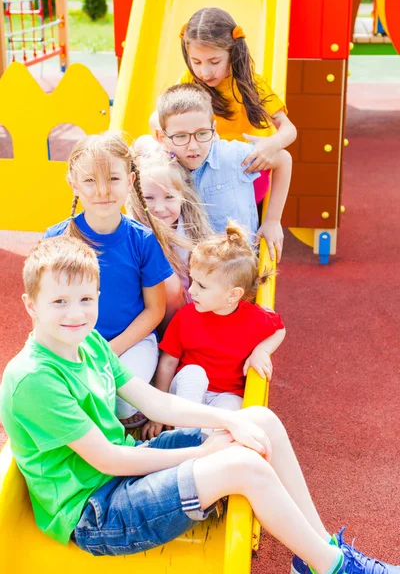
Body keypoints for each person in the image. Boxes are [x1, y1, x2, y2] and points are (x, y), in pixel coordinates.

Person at [0, 235, 398, 574]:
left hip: (121, 475)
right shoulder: (36, 379)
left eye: (86, 298)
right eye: (59, 302)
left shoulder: (88, 344)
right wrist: (201, 452)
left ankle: (319, 554)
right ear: (31, 304)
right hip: (95, 513)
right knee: (243, 465)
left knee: (260, 420)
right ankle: (336, 569)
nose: (76, 313)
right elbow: (108, 461)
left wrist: (229, 420)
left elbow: (156, 402)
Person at [43, 131, 184, 427]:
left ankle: (142, 402)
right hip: (73, 341)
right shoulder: (56, 238)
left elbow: (154, 310)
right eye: (90, 180)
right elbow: (46, 306)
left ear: (130, 181)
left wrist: (107, 351)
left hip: (131, 342)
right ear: (73, 183)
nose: (103, 190)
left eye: (114, 179)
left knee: (118, 401)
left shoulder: (142, 240)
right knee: (57, 395)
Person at [142, 221, 285, 441]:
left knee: (234, 408)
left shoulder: (253, 318)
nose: (192, 290)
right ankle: (182, 436)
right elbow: (168, 362)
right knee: (194, 373)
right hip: (187, 392)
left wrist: (262, 351)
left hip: (226, 395)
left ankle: (203, 443)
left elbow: (279, 329)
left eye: (202, 286)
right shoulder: (187, 316)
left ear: (233, 294)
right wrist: (158, 411)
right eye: (193, 281)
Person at [156, 83, 292, 261]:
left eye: (202, 133)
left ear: (213, 130)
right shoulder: (163, 169)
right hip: (194, 274)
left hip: (237, 269)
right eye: (181, 136)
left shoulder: (233, 157)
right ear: (162, 138)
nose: (193, 146)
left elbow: (283, 159)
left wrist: (273, 220)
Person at [127, 148, 212, 300]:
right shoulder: (131, 232)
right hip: (145, 309)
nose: (159, 208)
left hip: (187, 308)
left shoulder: (193, 229)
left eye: (169, 197)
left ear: (183, 196)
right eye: (148, 197)